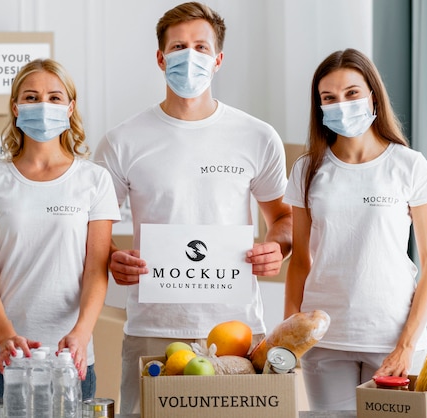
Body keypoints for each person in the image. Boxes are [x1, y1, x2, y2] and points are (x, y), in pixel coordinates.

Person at [93, 2, 292, 413]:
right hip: (152, 330)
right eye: (179, 46)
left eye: (201, 47)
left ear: (218, 60)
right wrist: (113, 257)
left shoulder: (257, 136)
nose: (190, 56)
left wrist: (278, 248)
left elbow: (284, 220)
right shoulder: (122, 141)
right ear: (160, 58)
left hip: (238, 333)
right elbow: (93, 227)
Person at [283, 48, 427, 411]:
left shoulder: (409, 166)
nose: (341, 104)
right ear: (320, 106)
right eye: (329, 98)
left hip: (391, 339)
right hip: (323, 340)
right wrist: (288, 336)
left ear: (372, 94)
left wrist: (406, 343)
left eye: (351, 93)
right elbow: (300, 261)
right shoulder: (308, 169)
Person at [0, 58, 121, 403]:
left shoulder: (94, 180)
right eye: (32, 97)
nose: (43, 105)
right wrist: (5, 337)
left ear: (70, 108)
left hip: (69, 357)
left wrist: (81, 333)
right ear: (16, 108)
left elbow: (96, 270)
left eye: (54, 97)